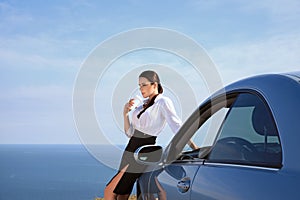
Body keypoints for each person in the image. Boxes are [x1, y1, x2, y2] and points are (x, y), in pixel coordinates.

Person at [104, 70, 197, 200]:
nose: (141, 88)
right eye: (139, 85)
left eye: (144, 84)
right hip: (130, 148)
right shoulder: (142, 105)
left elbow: (177, 126)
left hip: (144, 150)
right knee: (122, 194)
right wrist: (125, 114)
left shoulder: (163, 102)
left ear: (155, 85)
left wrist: (194, 147)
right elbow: (130, 133)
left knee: (110, 191)